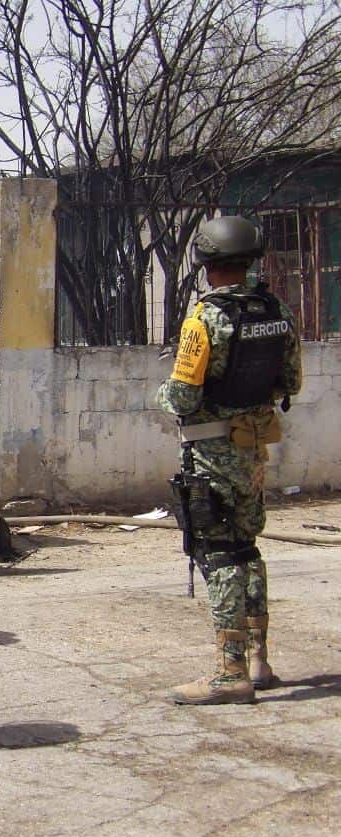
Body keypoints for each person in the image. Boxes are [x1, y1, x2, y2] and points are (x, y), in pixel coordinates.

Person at [158, 215, 300, 705]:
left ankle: (228, 673)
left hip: (211, 454)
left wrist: (161, 393)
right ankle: (259, 659)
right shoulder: (276, 309)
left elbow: (181, 398)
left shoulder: (204, 319)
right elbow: (291, 382)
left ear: (205, 261)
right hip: (252, 449)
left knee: (218, 554)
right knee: (248, 549)